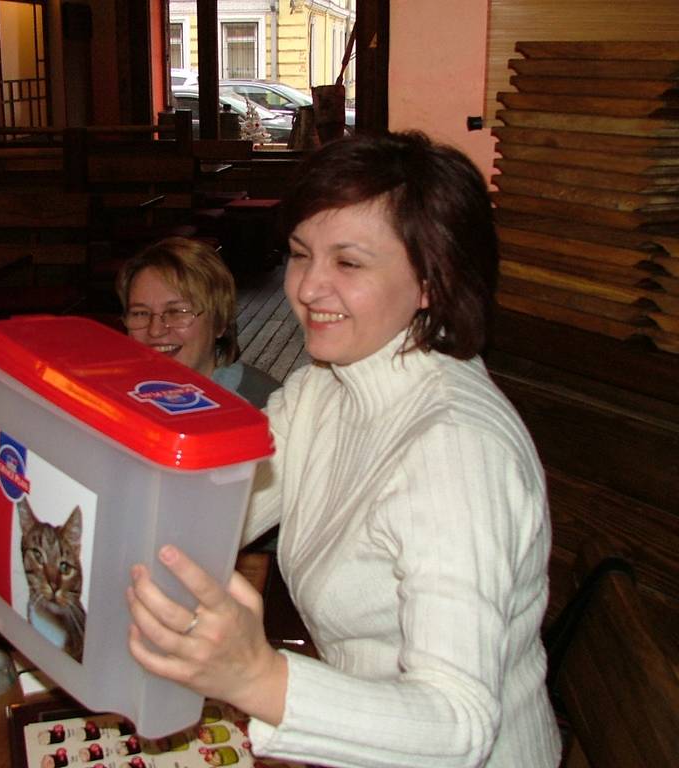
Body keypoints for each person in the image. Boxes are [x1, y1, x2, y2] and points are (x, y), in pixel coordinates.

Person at [121, 133, 562, 767]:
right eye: (301, 255)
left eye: (348, 263)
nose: (307, 288)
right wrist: (40, 588)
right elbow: (203, 515)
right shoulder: (324, 388)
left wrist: (255, 677)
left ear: (431, 279)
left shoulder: (454, 451)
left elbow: (458, 725)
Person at [115, 237, 280, 409]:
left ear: (219, 322)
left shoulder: (270, 409)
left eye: (176, 312)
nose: (155, 330)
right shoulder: (111, 399)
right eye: (140, 313)